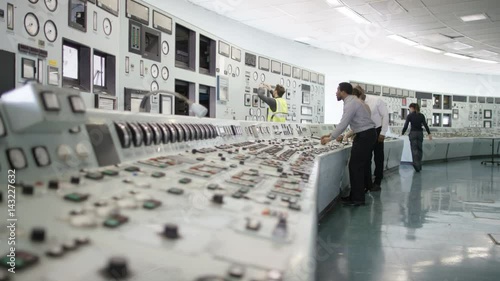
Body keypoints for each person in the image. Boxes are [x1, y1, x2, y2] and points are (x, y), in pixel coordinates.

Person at [321, 82, 377, 206]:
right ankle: (355, 196)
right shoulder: (352, 101)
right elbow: (350, 122)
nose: (336, 93)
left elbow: (343, 123)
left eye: (337, 90)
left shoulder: (351, 103)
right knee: (356, 166)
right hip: (365, 135)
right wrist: (331, 134)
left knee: (355, 166)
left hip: (365, 135)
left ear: (343, 92)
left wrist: (330, 138)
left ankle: (357, 199)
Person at [356, 86, 389, 192]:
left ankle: (377, 182)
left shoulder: (376, 101)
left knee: (378, 158)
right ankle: (367, 183)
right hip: (365, 131)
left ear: (362, 92)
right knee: (366, 158)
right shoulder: (357, 103)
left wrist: (383, 132)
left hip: (378, 130)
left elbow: (385, 115)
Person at [402, 103, 432, 172]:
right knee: (419, 150)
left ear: (412, 108)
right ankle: (419, 165)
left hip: (413, 133)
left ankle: (416, 166)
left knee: (414, 150)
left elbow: (406, 126)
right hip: (420, 134)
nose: (409, 110)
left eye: (410, 108)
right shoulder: (421, 116)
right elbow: (425, 125)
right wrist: (429, 133)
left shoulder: (409, 116)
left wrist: (402, 133)